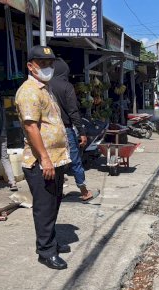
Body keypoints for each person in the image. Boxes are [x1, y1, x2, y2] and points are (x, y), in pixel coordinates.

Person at [15, 45, 71, 270]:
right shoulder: (29, 91)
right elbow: (31, 128)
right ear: (31, 66)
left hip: (56, 159)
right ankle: (45, 251)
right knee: (45, 206)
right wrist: (45, 159)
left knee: (54, 202)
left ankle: (51, 242)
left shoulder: (44, 89)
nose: (48, 67)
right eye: (42, 63)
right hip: (41, 161)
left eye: (50, 63)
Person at [50, 58, 99, 202]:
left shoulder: (44, 86)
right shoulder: (66, 86)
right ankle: (84, 192)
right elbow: (73, 112)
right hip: (65, 130)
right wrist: (82, 132)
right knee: (75, 160)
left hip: (48, 131)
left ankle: (55, 193)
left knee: (54, 162)